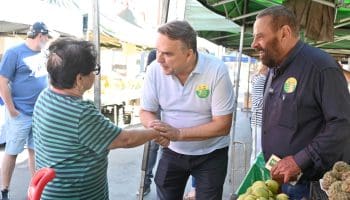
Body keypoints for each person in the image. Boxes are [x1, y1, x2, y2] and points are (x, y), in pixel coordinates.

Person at [32, 37, 169, 200]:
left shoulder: (45, 96)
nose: (95, 74)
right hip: (75, 195)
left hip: (50, 191)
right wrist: (156, 131)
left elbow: (109, 135)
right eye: (93, 70)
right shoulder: (80, 112)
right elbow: (126, 139)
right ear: (79, 79)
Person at [251, 5, 350, 199]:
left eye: (260, 36)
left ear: (284, 33)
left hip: (310, 185)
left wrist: (299, 161)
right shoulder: (274, 69)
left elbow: (342, 124)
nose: (254, 44)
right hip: (281, 181)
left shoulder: (321, 67)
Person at [140, 20, 234, 200]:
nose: (159, 59)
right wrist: (155, 127)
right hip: (172, 151)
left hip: (211, 154)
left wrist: (179, 133)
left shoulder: (216, 70)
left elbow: (223, 125)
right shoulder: (154, 70)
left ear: (189, 54)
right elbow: (146, 111)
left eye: (167, 54)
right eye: (158, 51)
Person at [0, 21, 50, 200]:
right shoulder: (14, 53)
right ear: (39, 35)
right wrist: (12, 109)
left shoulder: (44, 54)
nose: (47, 40)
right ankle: (4, 190)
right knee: (12, 152)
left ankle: (35, 191)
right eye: (46, 36)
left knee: (35, 152)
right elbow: (2, 81)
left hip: (39, 115)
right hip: (19, 113)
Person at [249, 63, 268, 166]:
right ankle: (253, 176)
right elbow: (257, 102)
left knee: (259, 151)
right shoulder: (261, 80)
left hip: (261, 122)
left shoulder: (262, 79)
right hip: (259, 122)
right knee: (258, 152)